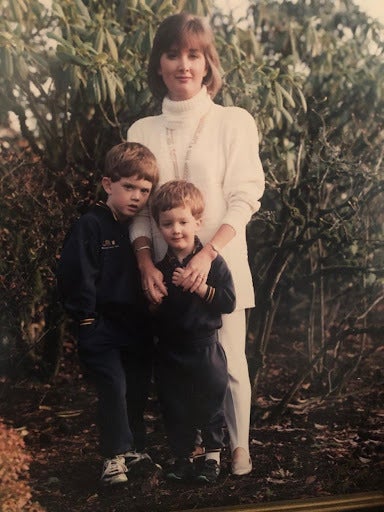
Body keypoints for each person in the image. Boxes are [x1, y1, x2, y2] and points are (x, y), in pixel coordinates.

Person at [127, 13, 265, 475]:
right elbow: (141, 210)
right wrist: (146, 262)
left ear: (208, 64)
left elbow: (245, 198)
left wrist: (208, 254)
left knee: (227, 362)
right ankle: (192, 452)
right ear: (159, 63)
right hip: (167, 276)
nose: (183, 64)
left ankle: (239, 447)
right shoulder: (141, 130)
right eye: (173, 54)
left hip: (221, 263)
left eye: (194, 54)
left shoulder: (233, 121)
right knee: (176, 368)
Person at [56, 142, 159, 486]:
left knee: (137, 386)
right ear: (107, 184)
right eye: (128, 187)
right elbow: (77, 273)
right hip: (100, 325)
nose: (137, 197)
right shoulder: (91, 224)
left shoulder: (135, 229)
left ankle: (134, 449)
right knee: (113, 386)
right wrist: (86, 317)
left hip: (135, 326)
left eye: (144, 190)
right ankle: (112, 457)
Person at [151, 180, 235, 483]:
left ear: (197, 221)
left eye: (183, 221)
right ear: (158, 226)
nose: (176, 230)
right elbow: (156, 316)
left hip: (204, 348)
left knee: (210, 402)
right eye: (168, 223)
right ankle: (182, 458)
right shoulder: (160, 268)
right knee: (174, 405)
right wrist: (154, 303)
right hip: (171, 351)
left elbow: (228, 302)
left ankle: (212, 458)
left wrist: (201, 288)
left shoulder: (213, 265)